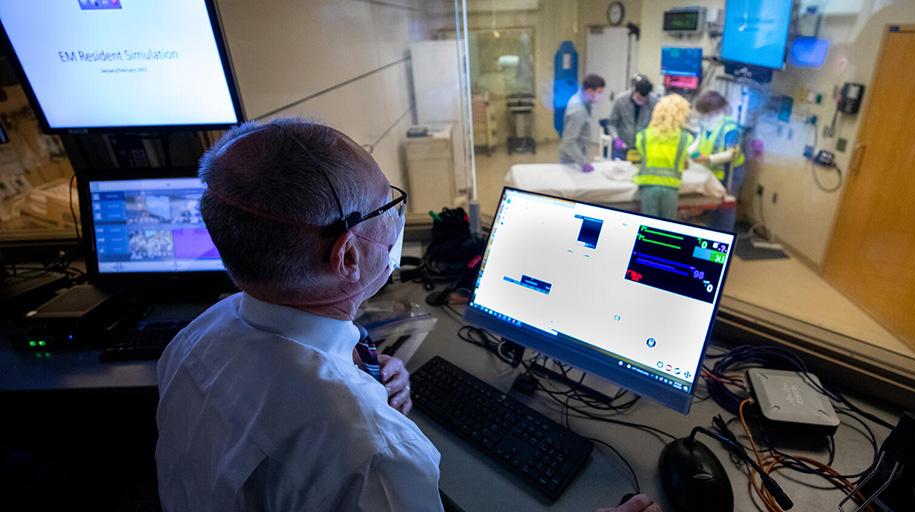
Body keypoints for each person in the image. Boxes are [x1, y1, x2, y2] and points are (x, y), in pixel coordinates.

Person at [155, 117, 659, 512]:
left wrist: (361, 381)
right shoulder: (372, 455)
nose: (398, 220)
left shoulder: (195, 339)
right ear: (348, 257)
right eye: (388, 207)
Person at [691, 91, 746, 231]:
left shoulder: (730, 128)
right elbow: (697, 143)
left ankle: (724, 235)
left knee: (726, 206)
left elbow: (731, 154)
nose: (705, 117)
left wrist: (708, 158)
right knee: (714, 205)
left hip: (731, 172)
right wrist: (684, 154)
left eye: (708, 113)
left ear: (718, 110)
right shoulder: (706, 125)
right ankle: (713, 232)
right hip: (714, 170)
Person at [634, 94, 694, 220]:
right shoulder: (685, 139)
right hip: (671, 188)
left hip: (648, 187)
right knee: (667, 226)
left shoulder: (643, 136)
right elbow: (688, 158)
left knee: (648, 225)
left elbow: (641, 157)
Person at [559, 73, 605, 173]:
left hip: (578, 155)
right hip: (572, 159)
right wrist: (584, 163)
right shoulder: (578, 110)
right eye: (599, 92)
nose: (600, 96)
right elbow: (569, 142)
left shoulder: (584, 101)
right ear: (589, 91)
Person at [608, 74, 655, 160]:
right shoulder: (621, 100)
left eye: (645, 100)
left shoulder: (654, 102)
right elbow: (611, 124)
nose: (642, 102)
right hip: (623, 148)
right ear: (634, 91)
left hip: (643, 149)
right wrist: (616, 138)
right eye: (639, 99)